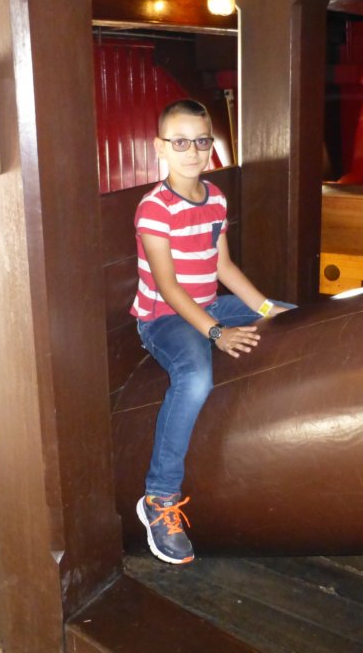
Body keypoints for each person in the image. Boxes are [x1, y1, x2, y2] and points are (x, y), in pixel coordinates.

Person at [131, 98, 293, 564]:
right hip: (164, 317)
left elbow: (223, 266)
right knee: (196, 378)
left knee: (294, 316)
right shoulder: (154, 209)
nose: (193, 151)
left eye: (201, 141)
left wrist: (266, 309)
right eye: (180, 142)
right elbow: (167, 286)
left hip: (208, 304)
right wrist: (216, 332)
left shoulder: (216, 197)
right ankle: (159, 497)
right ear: (160, 147)